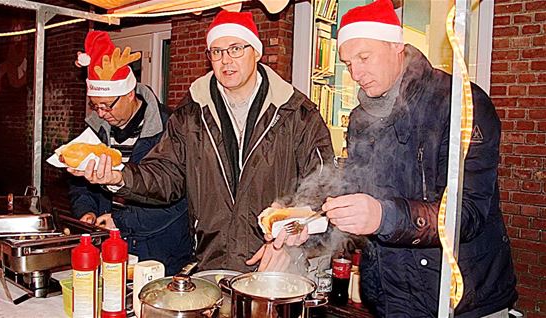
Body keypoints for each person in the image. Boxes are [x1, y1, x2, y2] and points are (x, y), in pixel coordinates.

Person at [68, 11, 334, 272]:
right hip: (212, 261)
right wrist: (120, 177)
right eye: (216, 52)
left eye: (235, 49)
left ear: (256, 51)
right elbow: (166, 174)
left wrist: (290, 235)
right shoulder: (191, 112)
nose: (225, 60)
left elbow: (322, 184)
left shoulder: (296, 113)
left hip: (274, 263)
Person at [319, 0, 518, 316]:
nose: (355, 72)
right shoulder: (360, 118)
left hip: (460, 301)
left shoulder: (460, 104)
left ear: (396, 46)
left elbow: (465, 215)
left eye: (364, 57)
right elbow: (354, 192)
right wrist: (311, 224)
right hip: (390, 297)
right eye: (347, 63)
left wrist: (383, 216)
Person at [69, 31, 193, 276]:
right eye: (95, 105)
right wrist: (87, 211)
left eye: (107, 105)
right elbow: (79, 183)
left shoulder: (170, 128)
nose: (101, 113)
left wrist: (120, 221)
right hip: (110, 246)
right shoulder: (96, 130)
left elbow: (178, 198)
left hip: (161, 252)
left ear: (129, 94)